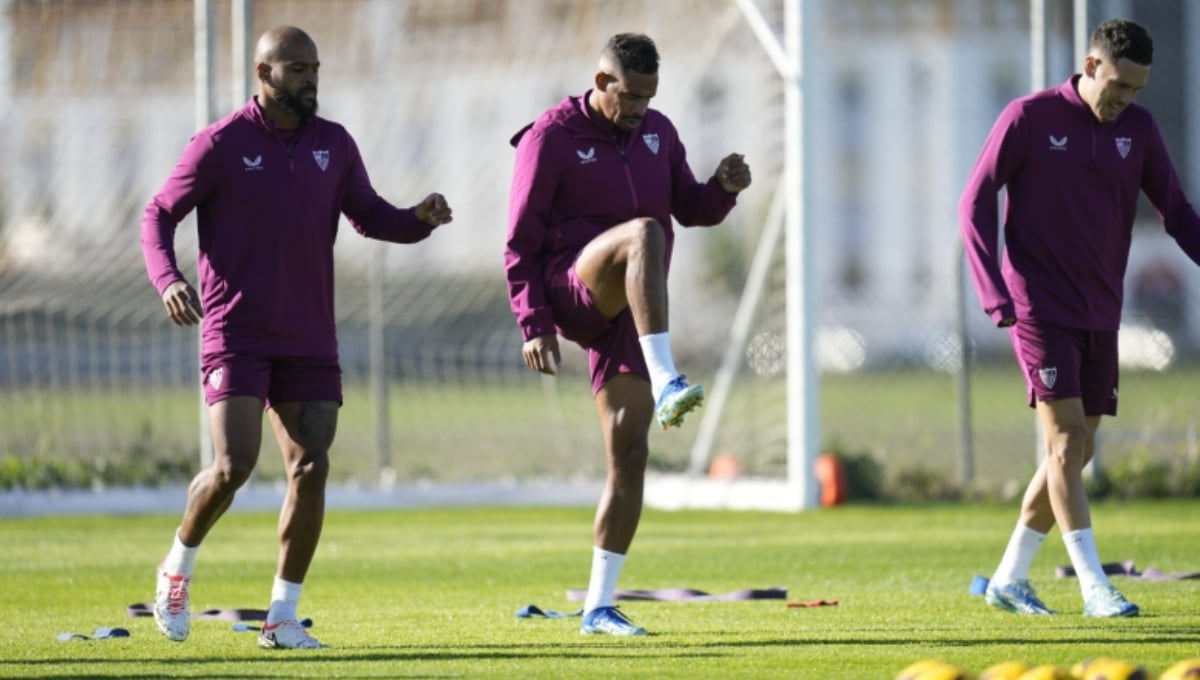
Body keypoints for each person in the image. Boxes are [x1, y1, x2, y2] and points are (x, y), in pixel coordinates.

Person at [141, 26, 453, 648]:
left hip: (309, 337)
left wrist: (417, 221)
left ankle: (282, 617)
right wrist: (168, 279)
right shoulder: (220, 145)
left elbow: (370, 216)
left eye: (315, 67)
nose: (311, 78)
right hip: (236, 333)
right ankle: (177, 568)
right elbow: (158, 214)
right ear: (264, 74)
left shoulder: (333, 145)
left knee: (311, 467)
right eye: (297, 68)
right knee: (232, 467)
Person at [504, 33, 751, 636]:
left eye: (648, 95)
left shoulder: (659, 133)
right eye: (630, 94)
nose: (639, 106)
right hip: (574, 288)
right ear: (601, 81)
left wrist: (723, 189)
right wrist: (533, 323)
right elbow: (519, 243)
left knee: (629, 454)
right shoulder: (550, 137)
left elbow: (688, 207)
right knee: (642, 233)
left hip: (632, 314)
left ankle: (598, 606)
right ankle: (669, 376)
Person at [959, 18, 1200, 618]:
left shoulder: (1138, 130)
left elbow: (1175, 210)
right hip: (1039, 306)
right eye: (1118, 85)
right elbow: (975, 200)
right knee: (1066, 439)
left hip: (1101, 309)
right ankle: (1095, 585)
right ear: (1090, 66)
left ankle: (1010, 578)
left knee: (1079, 448)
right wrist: (994, 292)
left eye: (1136, 91)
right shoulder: (1028, 118)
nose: (1124, 100)